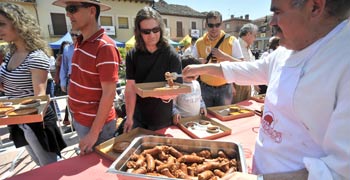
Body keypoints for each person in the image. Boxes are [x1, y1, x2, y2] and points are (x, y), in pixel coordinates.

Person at [183, 0, 350, 179]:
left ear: (315, 7)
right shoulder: (287, 49)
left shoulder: (343, 61)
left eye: (277, 12)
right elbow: (253, 69)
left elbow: (340, 172)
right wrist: (202, 69)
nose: (271, 23)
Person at [0, 2, 66, 166]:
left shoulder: (35, 57)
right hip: (18, 119)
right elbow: (9, 87)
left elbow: (40, 98)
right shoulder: (11, 54)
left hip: (35, 121)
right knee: (38, 162)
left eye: (2, 24)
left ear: (18, 24)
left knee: (49, 166)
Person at [52, 0, 120, 155]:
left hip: (96, 126)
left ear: (91, 11)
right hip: (82, 120)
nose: (68, 14)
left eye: (72, 9)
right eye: (67, 9)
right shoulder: (80, 42)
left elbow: (109, 93)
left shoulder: (105, 47)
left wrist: (93, 134)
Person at [123, 7, 182, 133]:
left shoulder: (171, 54)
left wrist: (164, 96)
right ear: (138, 32)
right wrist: (129, 118)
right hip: (137, 117)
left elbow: (177, 88)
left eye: (155, 30)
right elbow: (130, 88)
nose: (152, 35)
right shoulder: (132, 55)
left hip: (161, 118)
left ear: (161, 29)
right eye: (146, 32)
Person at [192, 10, 243, 107]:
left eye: (217, 25)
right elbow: (190, 63)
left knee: (223, 119)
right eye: (211, 25)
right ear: (206, 25)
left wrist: (224, 57)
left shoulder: (232, 40)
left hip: (225, 88)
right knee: (205, 119)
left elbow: (242, 64)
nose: (214, 28)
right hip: (204, 88)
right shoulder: (199, 42)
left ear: (222, 24)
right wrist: (198, 61)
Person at [172, 57, 207, 125]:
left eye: (196, 73)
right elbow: (172, 104)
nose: (192, 75)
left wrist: (202, 106)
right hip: (182, 120)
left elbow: (200, 98)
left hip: (196, 119)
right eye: (189, 73)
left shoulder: (196, 84)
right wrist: (175, 113)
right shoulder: (178, 86)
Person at [234, 23, 259, 103]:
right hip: (238, 86)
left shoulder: (247, 48)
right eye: (255, 35)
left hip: (247, 85)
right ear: (248, 34)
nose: (255, 39)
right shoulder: (235, 45)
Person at [60, 31, 79, 126]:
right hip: (71, 79)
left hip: (84, 79)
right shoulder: (67, 49)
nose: (74, 37)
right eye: (72, 34)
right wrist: (63, 82)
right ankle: (75, 126)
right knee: (72, 105)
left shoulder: (86, 47)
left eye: (77, 34)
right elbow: (64, 67)